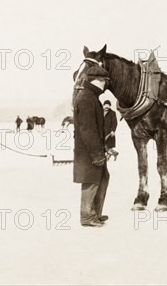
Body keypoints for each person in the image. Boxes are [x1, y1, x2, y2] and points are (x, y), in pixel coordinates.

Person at [73, 70, 110, 228]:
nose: (104, 84)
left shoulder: (91, 96)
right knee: (91, 180)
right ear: (94, 80)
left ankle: (94, 213)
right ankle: (87, 216)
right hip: (88, 151)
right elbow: (88, 129)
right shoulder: (87, 98)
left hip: (93, 149)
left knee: (102, 177)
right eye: (103, 80)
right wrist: (96, 154)